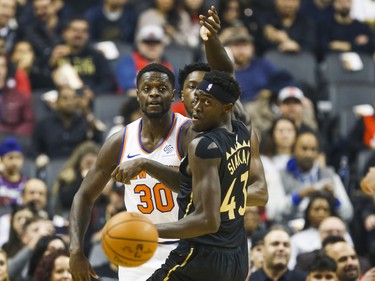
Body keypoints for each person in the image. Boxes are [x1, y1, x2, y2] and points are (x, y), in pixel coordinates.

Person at [116, 70, 267, 281]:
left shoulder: (202, 146)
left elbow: (207, 221)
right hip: (237, 257)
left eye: (207, 103)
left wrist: (147, 230)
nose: (196, 108)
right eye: (197, 99)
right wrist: (147, 164)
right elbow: (191, 185)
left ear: (226, 109)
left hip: (200, 257)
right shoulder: (242, 133)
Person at [0, 138, 27, 216]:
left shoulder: (28, 183)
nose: (14, 162)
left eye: (18, 158)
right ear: (1, 160)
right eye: (10, 158)